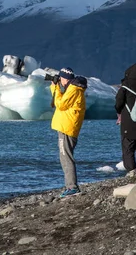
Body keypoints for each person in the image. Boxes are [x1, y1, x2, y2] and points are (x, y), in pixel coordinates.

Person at [49, 67, 87, 198]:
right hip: (67, 127)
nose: (59, 80)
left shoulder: (73, 89)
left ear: (65, 78)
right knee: (65, 156)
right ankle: (70, 186)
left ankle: (72, 187)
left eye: (61, 78)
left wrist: (55, 88)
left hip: (67, 128)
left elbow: (61, 104)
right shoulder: (74, 89)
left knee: (66, 157)